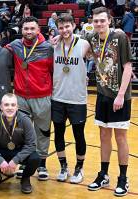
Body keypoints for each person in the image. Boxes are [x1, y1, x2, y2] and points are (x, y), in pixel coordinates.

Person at [86, 7, 132, 197]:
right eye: (96, 21)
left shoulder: (120, 37)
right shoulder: (92, 38)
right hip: (102, 95)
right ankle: (103, 174)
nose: (99, 24)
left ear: (109, 21)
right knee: (104, 136)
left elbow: (127, 67)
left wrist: (121, 94)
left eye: (102, 21)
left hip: (120, 96)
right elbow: (77, 42)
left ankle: (123, 178)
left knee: (120, 138)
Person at [5, 16, 53, 180]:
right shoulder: (15, 45)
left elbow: (54, 71)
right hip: (20, 97)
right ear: (21, 31)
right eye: (26, 29)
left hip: (42, 96)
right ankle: (24, 162)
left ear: (38, 30)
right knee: (22, 133)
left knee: (42, 132)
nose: (29, 31)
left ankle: (42, 164)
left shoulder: (48, 48)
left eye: (32, 28)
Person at [52, 13, 91, 184]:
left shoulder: (84, 43)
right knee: (58, 134)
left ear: (74, 25)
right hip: (58, 97)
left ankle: (79, 168)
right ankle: (63, 167)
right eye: (61, 27)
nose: (64, 30)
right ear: (57, 28)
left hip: (77, 99)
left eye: (67, 26)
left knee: (78, 135)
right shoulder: (54, 44)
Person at [0, 93, 40, 194]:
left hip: (18, 151)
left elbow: (31, 144)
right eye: (6, 105)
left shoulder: (25, 120)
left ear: (17, 107)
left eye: (13, 105)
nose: (10, 108)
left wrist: (16, 159)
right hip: (0, 151)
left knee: (35, 158)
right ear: (1, 107)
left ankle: (25, 179)